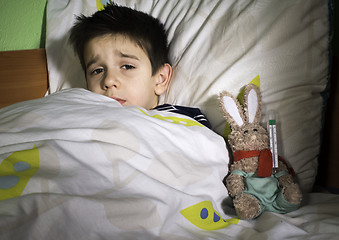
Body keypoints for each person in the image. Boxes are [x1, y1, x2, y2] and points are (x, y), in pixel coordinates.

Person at [69, 2, 211, 128]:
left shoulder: (181, 119)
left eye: (127, 66)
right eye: (97, 70)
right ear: (87, 85)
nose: (108, 81)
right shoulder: (76, 117)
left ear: (160, 79)